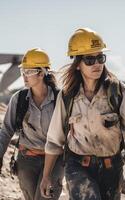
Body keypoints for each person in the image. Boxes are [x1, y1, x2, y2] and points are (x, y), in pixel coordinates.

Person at [40, 28, 125, 200]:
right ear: (77, 64)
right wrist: (46, 176)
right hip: (77, 166)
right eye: (90, 59)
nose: (97, 64)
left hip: (112, 167)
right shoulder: (67, 95)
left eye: (100, 58)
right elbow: (55, 139)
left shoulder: (118, 91)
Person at [0, 48, 64, 200]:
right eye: (23, 71)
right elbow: (6, 131)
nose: (24, 76)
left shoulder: (60, 98)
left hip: (55, 159)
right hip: (27, 159)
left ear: (41, 73)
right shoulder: (19, 99)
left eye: (28, 72)